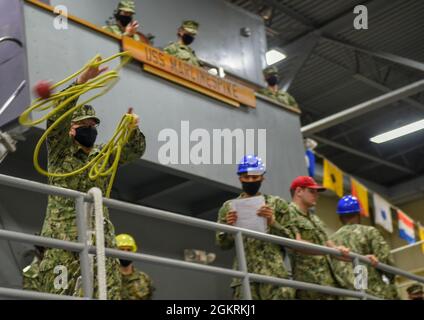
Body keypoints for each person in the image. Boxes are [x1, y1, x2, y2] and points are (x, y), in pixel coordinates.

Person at [38, 59, 146, 299]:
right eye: (82, 124)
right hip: (64, 240)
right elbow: (58, 114)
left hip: (101, 242)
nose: (89, 128)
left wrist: (132, 130)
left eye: (92, 124)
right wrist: (82, 81)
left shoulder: (103, 156)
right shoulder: (60, 152)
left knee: (105, 294)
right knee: (61, 295)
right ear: (70, 129)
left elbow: (133, 151)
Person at [216, 155, 295, 300]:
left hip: (274, 274)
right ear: (240, 178)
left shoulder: (277, 204)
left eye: (255, 177)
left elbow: (291, 241)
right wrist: (229, 228)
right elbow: (222, 244)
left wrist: (272, 222)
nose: (251, 181)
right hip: (244, 276)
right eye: (246, 177)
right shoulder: (229, 207)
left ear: (262, 177)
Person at [278, 176, 349, 300]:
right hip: (310, 285)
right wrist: (327, 250)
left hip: (330, 283)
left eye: (317, 192)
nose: (316, 195)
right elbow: (296, 244)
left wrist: (341, 250)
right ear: (299, 191)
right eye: (312, 191)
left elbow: (330, 246)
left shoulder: (315, 219)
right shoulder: (288, 213)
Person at [330, 195, 400, 299]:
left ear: (340, 217)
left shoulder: (331, 240)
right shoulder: (369, 232)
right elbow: (386, 260)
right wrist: (391, 278)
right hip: (372, 292)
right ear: (359, 214)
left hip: (346, 295)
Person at [116, 234, 154, 300]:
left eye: (129, 250)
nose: (125, 253)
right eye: (121, 250)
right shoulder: (108, 277)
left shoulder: (143, 278)